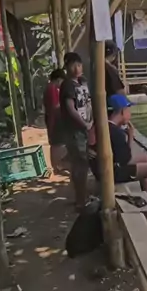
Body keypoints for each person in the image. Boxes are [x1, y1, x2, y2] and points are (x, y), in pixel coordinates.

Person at [89, 93, 147, 195]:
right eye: (128, 110)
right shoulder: (116, 133)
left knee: (144, 159)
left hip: (101, 169)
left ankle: (146, 195)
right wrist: (130, 138)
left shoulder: (103, 126)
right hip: (113, 173)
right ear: (122, 111)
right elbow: (126, 159)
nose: (130, 114)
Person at [59, 52, 93, 211]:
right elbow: (70, 108)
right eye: (73, 65)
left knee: (83, 163)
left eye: (79, 65)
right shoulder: (68, 85)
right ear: (67, 67)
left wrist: (90, 122)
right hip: (74, 130)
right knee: (79, 164)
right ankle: (80, 200)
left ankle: (83, 196)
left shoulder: (82, 82)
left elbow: (87, 103)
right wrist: (84, 124)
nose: (77, 68)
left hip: (84, 127)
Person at [43, 68, 65, 173]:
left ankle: (56, 166)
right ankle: (56, 167)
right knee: (56, 143)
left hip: (52, 118)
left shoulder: (50, 88)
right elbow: (54, 106)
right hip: (54, 119)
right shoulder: (52, 88)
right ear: (58, 79)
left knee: (55, 143)